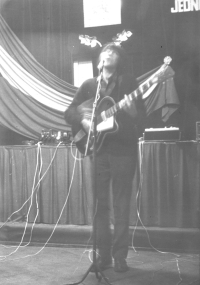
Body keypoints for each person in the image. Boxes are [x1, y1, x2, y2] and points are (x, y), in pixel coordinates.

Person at [64, 43, 144, 273]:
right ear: (100, 60)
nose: (108, 53)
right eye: (105, 52)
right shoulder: (90, 85)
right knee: (100, 207)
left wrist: (132, 112)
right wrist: (84, 121)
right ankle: (103, 256)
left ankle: (120, 257)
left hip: (123, 151)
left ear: (120, 59)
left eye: (113, 52)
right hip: (98, 152)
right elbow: (69, 112)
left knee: (121, 205)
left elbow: (143, 118)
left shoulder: (129, 83)